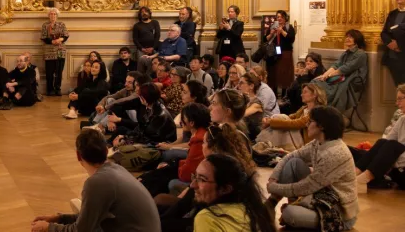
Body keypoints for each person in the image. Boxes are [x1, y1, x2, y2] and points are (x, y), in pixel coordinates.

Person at [30, 128, 162, 232]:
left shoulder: (97, 183)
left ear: (78, 156)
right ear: (106, 151)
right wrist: (60, 218)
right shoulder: (116, 169)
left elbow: (81, 230)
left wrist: (48, 228)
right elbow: (92, 218)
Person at [267, 106, 358, 230]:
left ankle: (295, 208)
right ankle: (272, 203)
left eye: (310, 122)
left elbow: (307, 186)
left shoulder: (335, 153)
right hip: (322, 195)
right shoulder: (318, 142)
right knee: (294, 162)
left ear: (321, 126)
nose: (306, 125)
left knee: (289, 214)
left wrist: (275, 187)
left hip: (337, 211)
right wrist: (274, 178)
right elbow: (290, 156)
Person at [192, 154, 277, 232]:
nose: (193, 185)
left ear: (225, 189)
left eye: (202, 180)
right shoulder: (255, 210)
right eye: (195, 176)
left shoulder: (207, 218)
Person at [350, 84, 405, 191]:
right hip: (398, 170)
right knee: (382, 142)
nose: (397, 103)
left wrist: (389, 158)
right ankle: (354, 175)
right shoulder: (402, 119)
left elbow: (392, 149)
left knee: (392, 146)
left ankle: (362, 180)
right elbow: (385, 143)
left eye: (400, 99)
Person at [256, 82, 327, 152]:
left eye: (305, 92)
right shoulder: (304, 108)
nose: (301, 95)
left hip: (307, 143)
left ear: (314, 95)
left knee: (282, 118)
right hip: (297, 138)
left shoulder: (317, 111)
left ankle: (263, 143)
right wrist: (270, 119)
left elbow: (297, 124)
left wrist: (271, 122)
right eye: (302, 92)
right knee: (278, 117)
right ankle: (265, 144)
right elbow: (291, 117)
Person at [314, 29, 368, 114]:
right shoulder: (346, 53)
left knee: (321, 86)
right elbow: (336, 65)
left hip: (352, 80)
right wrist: (324, 75)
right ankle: (319, 111)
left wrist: (328, 76)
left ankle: (327, 112)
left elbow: (346, 68)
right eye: (346, 37)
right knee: (316, 81)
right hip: (342, 77)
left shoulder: (361, 54)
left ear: (357, 39)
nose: (347, 39)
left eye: (351, 37)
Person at [112, 83, 176, 148]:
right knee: (121, 134)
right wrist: (125, 136)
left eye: (140, 96)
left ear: (143, 98)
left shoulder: (159, 114)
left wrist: (126, 139)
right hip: (152, 140)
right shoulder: (152, 107)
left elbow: (148, 136)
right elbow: (141, 128)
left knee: (125, 149)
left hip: (162, 144)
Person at [264, 9, 296, 93]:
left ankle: (284, 93)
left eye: (281, 17)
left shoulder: (289, 27)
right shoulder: (272, 26)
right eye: (278, 17)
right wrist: (271, 33)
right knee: (273, 72)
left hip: (285, 53)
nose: (279, 19)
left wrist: (282, 31)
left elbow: (291, 39)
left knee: (284, 73)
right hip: (273, 53)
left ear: (285, 18)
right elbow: (265, 39)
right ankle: (273, 92)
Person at [380, 0, 405, 84]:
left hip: (403, 55)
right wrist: (390, 43)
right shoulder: (392, 13)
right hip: (392, 58)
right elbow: (384, 32)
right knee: (399, 88)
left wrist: (399, 44)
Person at [41, 8, 69, 96]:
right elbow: (43, 37)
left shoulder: (62, 24)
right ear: (48, 15)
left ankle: (58, 89)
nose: (53, 16)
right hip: (49, 51)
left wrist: (60, 39)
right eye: (51, 14)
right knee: (49, 72)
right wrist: (52, 41)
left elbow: (66, 35)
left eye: (54, 14)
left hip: (60, 50)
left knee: (59, 71)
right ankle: (50, 90)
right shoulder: (45, 25)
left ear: (57, 16)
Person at [236, 72, 266, 139]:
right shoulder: (242, 100)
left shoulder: (257, 103)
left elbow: (242, 114)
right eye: (238, 83)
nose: (238, 86)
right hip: (244, 134)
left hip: (254, 138)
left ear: (251, 86)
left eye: (241, 83)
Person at [133, 6, 162, 73]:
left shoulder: (155, 22)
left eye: (146, 11)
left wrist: (153, 47)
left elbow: (157, 36)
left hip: (153, 49)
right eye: (142, 12)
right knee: (141, 68)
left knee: (154, 67)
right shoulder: (137, 25)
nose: (144, 13)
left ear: (149, 13)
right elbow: (135, 39)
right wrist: (142, 49)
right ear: (140, 15)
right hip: (141, 50)